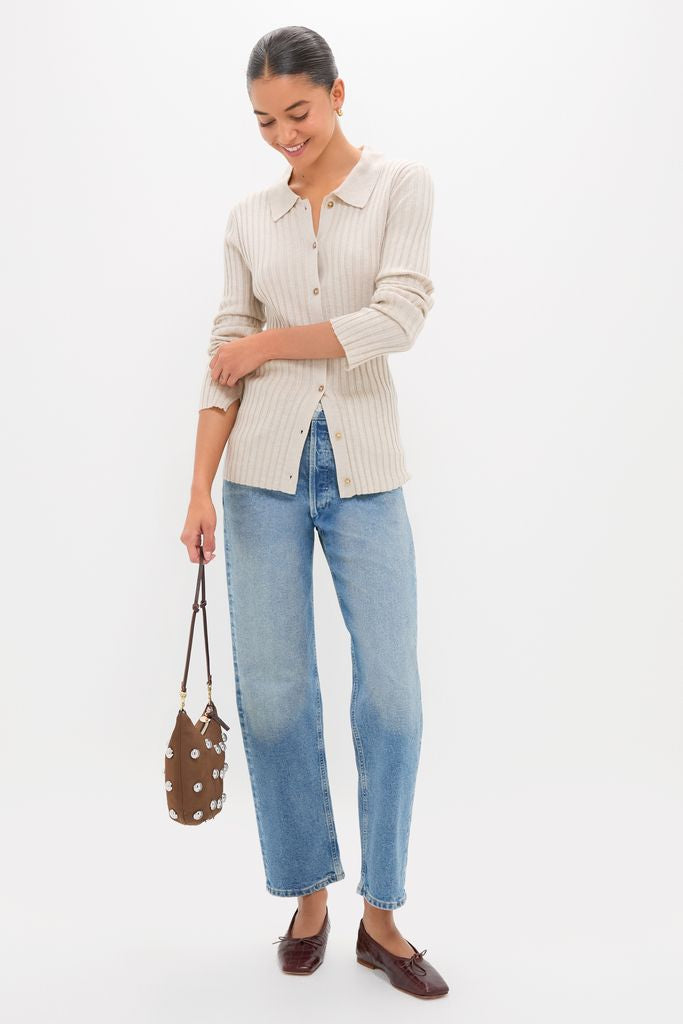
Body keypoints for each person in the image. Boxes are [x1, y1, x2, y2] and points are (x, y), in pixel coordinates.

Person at [180, 25, 449, 999]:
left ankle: (381, 914)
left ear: (337, 92)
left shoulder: (399, 187)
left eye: (297, 112)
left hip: (364, 468)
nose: (282, 134)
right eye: (263, 121)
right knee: (276, 695)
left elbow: (398, 316)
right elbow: (223, 352)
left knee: (392, 697)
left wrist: (270, 347)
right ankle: (306, 893)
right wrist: (197, 487)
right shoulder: (249, 218)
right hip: (257, 476)